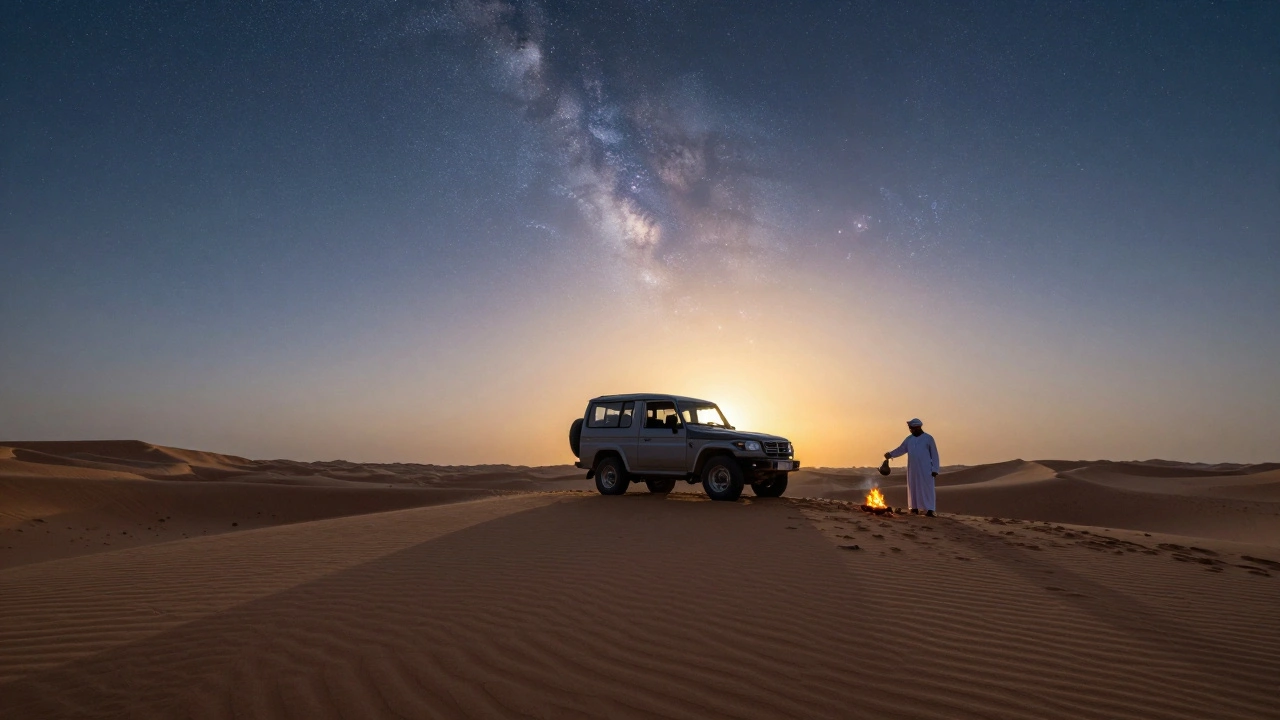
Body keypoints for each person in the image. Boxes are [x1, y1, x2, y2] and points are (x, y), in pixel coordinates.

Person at [884, 418, 940, 517]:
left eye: (912, 428)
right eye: (910, 429)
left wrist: (935, 469)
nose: (911, 430)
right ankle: (914, 508)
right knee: (913, 487)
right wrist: (891, 454)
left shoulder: (928, 438)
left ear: (918, 427)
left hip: (926, 469)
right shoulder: (909, 439)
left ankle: (930, 509)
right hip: (912, 469)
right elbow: (901, 449)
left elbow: (934, 454)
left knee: (927, 489)